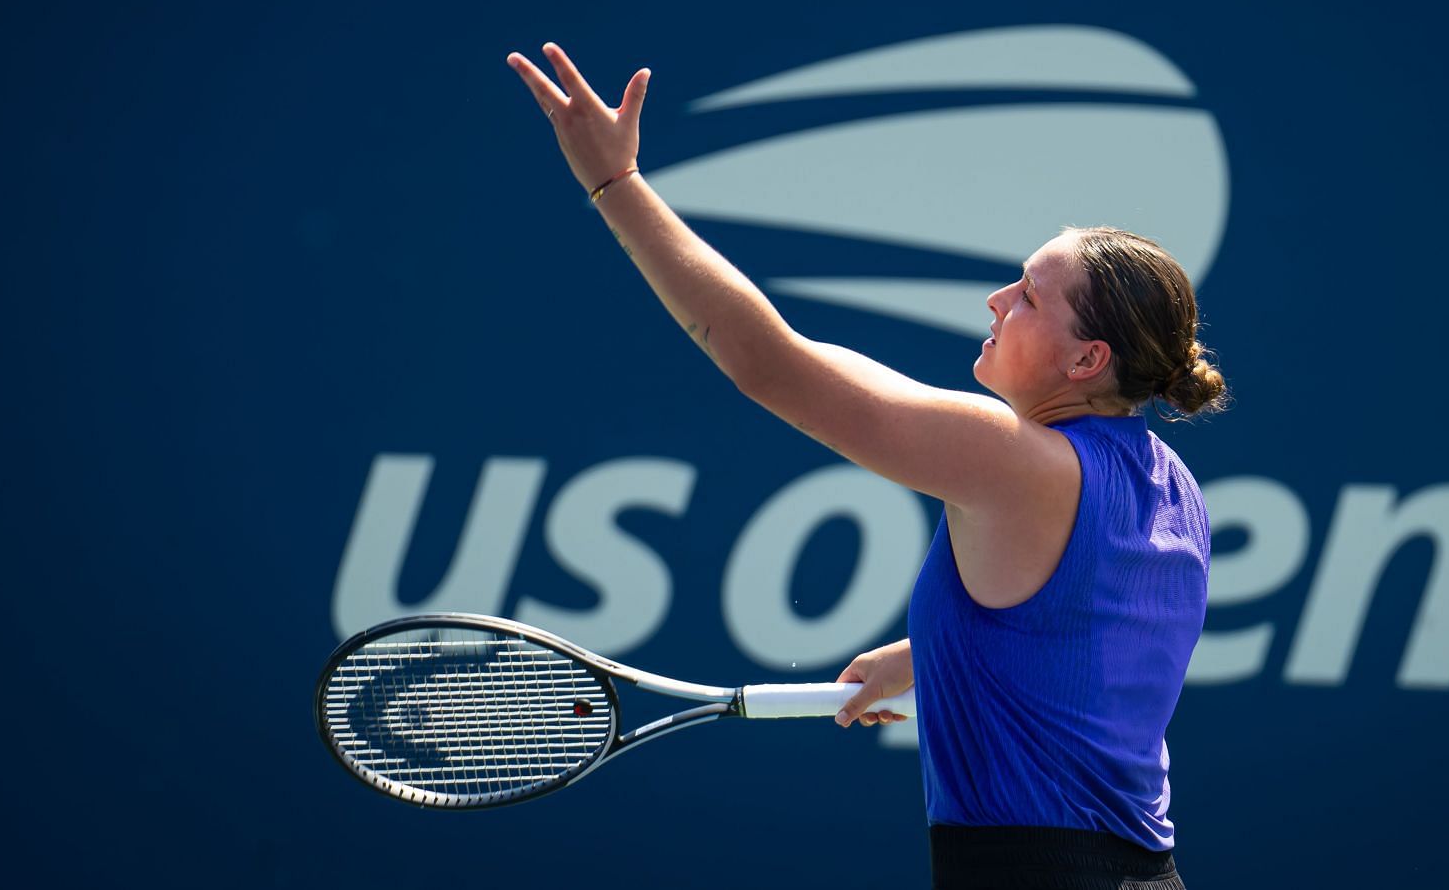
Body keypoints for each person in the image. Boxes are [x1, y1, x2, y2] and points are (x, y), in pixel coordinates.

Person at [508, 43, 1226, 890]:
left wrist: (616, 186)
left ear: (1086, 360)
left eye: (1030, 296)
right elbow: (1078, 640)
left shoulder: (1015, 461)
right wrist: (935, 654)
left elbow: (769, 364)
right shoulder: (1168, 483)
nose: (998, 301)